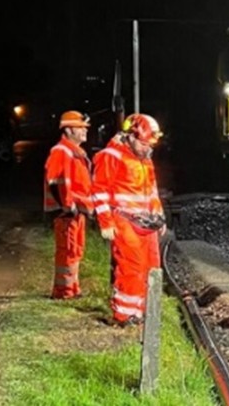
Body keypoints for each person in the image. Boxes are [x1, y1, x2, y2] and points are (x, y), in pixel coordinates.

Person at [92, 113, 166, 327]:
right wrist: (106, 222)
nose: (147, 148)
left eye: (150, 145)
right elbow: (99, 190)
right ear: (130, 137)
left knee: (151, 266)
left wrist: (159, 216)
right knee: (131, 266)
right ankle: (124, 316)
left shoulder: (144, 157)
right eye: (144, 144)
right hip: (124, 220)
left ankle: (143, 311)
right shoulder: (111, 156)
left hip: (147, 222)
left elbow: (152, 190)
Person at [43, 111, 94, 299]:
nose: (85, 131)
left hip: (75, 211)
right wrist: (68, 206)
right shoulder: (61, 151)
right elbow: (55, 181)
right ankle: (63, 292)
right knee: (68, 251)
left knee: (75, 250)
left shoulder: (74, 152)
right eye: (81, 128)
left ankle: (72, 289)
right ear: (69, 129)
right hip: (67, 213)